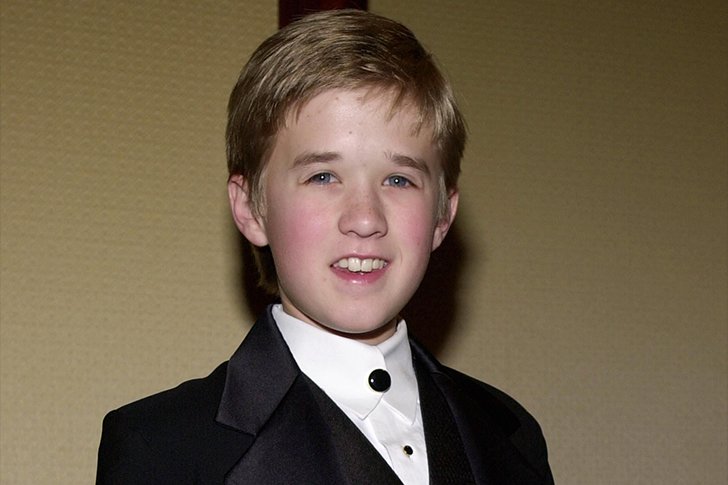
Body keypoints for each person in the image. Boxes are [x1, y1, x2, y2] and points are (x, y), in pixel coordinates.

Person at [96, 9, 553, 484]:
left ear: (442, 215)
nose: (365, 219)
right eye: (323, 176)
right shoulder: (162, 447)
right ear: (251, 208)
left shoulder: (511, 434)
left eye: (399, 179)